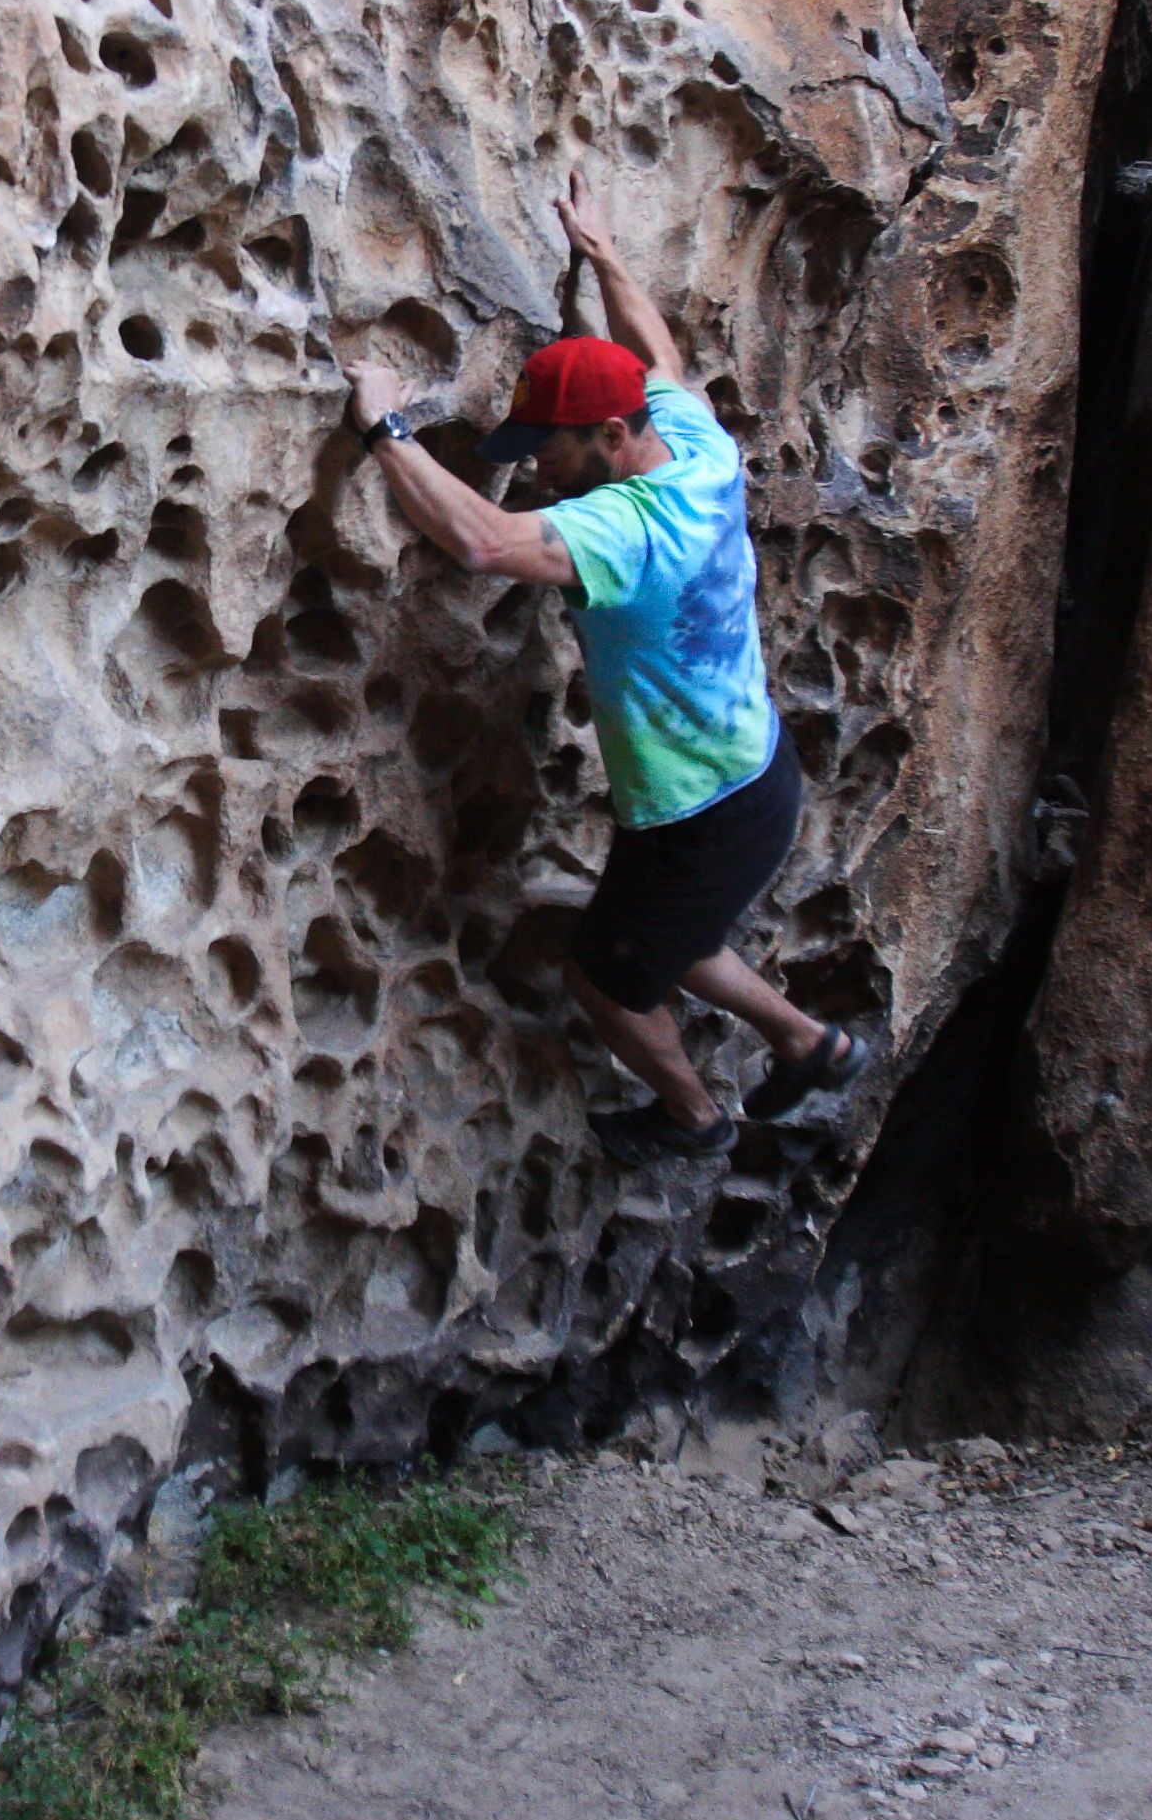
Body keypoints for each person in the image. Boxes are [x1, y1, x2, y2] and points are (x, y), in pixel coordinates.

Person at [341, 172, 865, 1165]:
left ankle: (694, 1118)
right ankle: (811, 1042)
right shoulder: (697, 441)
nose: (537, 466)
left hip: (693, 817)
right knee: (680, 938)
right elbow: (655, 351)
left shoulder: (628, 531)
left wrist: (382, 427)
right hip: (753, 774)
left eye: (552, 449)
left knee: (607, 977)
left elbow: (486, 542)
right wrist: (604, 252)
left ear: (614, 438)